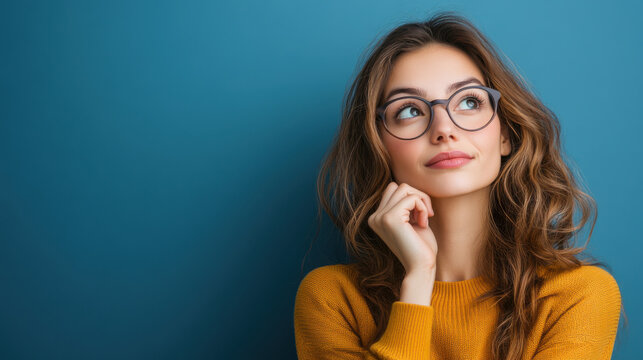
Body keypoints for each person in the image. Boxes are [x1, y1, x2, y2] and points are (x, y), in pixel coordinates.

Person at [293, 11, 627, 360]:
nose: (444, 129)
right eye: (409, 110)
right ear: (380, 147)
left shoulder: (579, 294)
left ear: (506, 135)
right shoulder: (332, 299)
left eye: (469, 101)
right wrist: (418, 280)